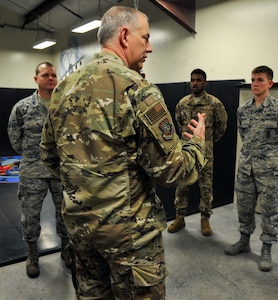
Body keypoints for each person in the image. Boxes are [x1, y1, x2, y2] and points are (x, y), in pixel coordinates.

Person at [40, 6, 206, 300]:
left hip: (81, 233)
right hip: (130, 240)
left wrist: (89, 187)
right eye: (146, 38)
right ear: (125, 35)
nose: (151, 47)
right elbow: (173, 171)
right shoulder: (137, 90)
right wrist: (197, 144)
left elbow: (51, 159)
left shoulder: (63, 89)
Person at [224, 65, 278, 272]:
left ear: (270, 83)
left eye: (260, 80)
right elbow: (244, 136)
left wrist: (273, 157)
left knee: (269, 211)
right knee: (245, 207)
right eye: (253, 80)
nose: (255, 84)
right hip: (246, 168)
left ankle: (266, 248)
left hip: (269, 171)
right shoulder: (243, 110)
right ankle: (244, 240)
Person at [7, 62, 70, 278]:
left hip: (60, 172)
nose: (50, 78)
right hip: (33, 172)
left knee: (66, 214)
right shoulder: (22, 107)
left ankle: (66, 250)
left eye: (53, 75)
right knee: (30, 217)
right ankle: (32, 254)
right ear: (36, 79)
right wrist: (34, 157)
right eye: (45, 75)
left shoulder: (66, 106)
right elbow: (15, 138)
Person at [167, 68, 228, 236]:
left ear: (205, 82)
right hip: (185, 152)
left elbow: (221, 126)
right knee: (182, 185)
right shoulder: (182, 103)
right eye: (192, 80)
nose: (195, 83)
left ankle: (205, 219)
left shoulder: (214, 104)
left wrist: (207, 141)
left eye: (198, 80)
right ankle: (180, 217)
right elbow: (179, 124)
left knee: (206, 186)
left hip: (205, 154)